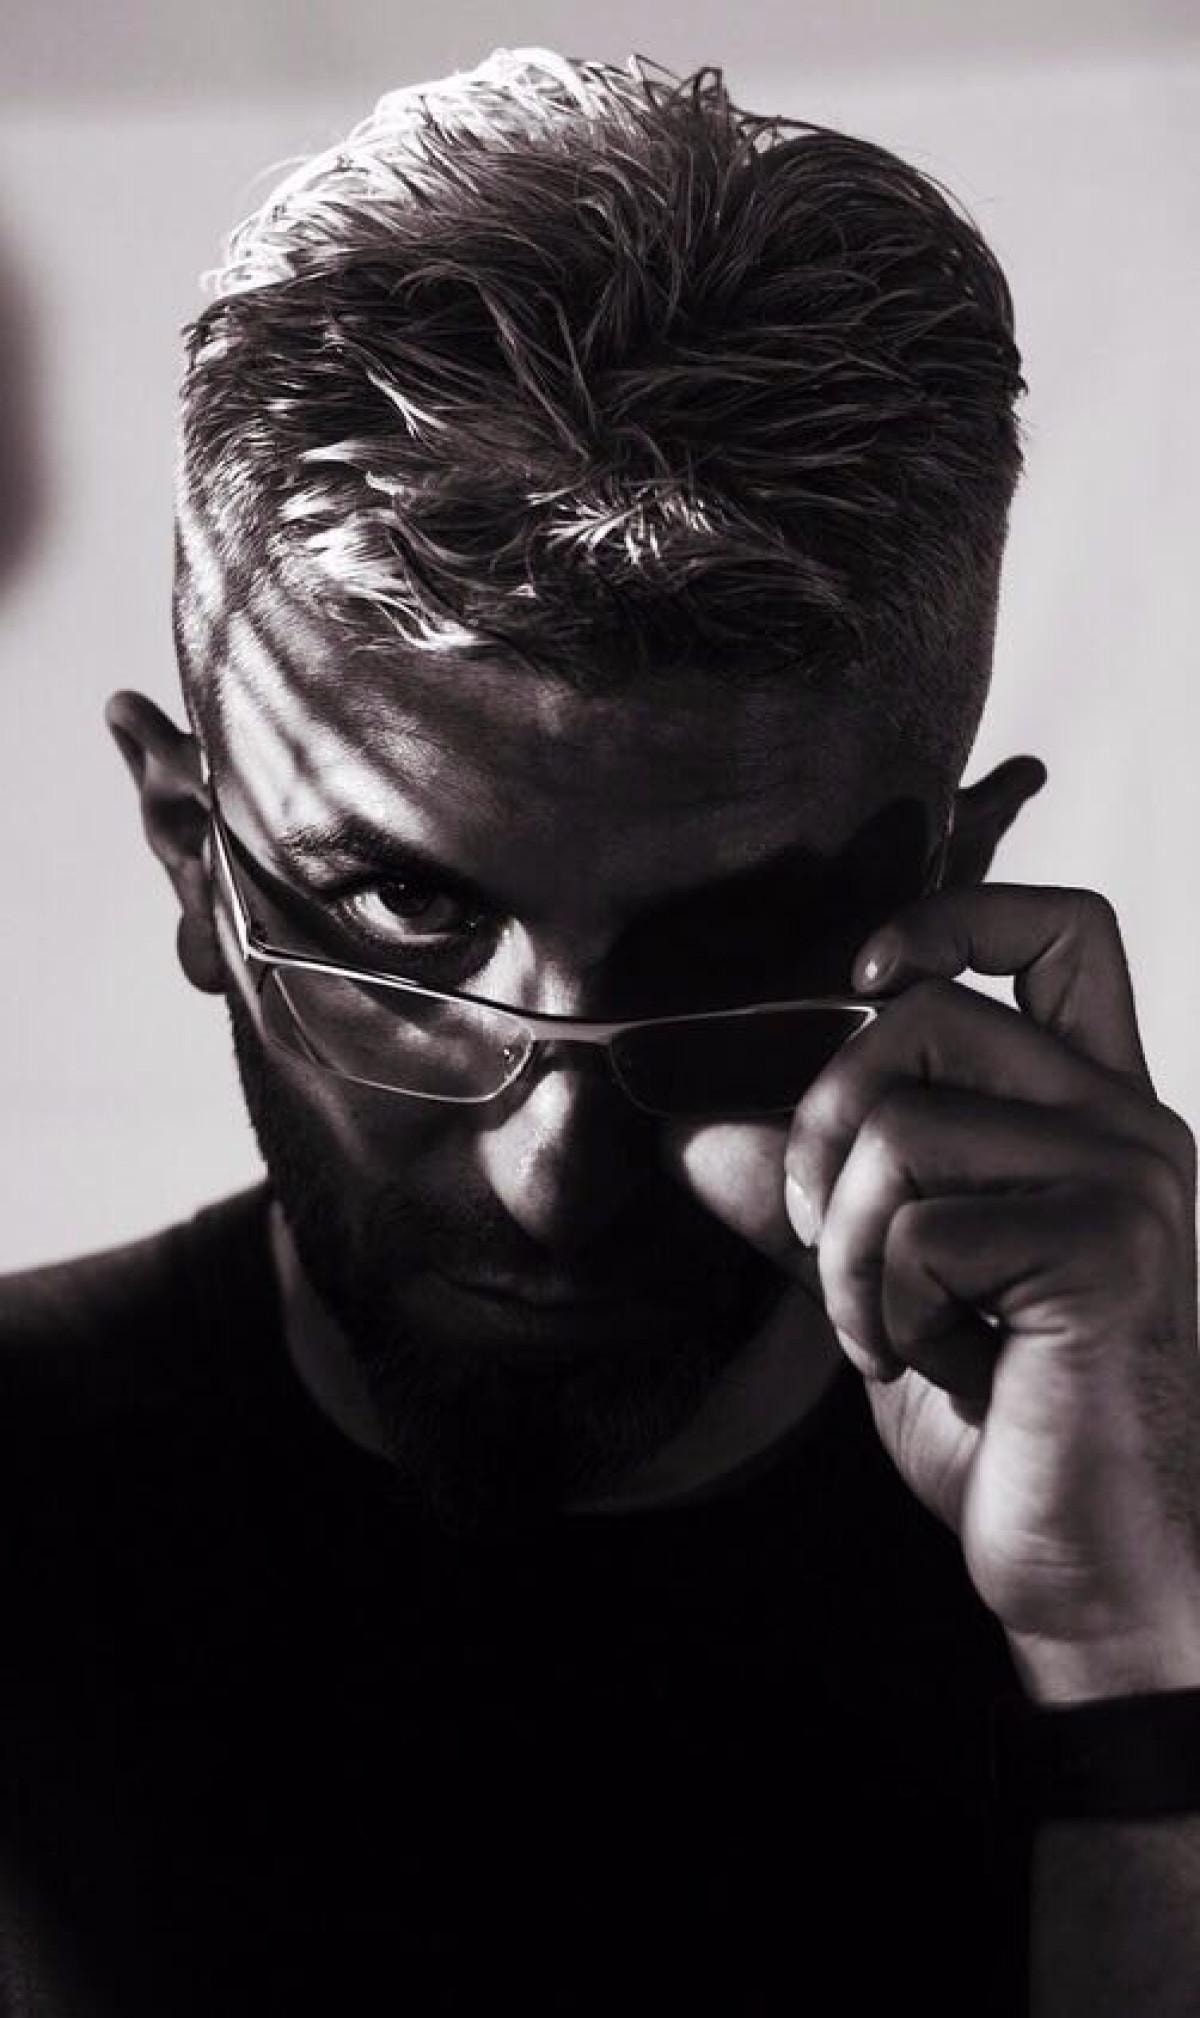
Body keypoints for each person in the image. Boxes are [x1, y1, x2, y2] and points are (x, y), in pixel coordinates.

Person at [1, 46, 1197, 2018]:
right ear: (193, 860)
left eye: (722, 950)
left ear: (955, 891)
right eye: (408, 913)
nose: (550, 1167)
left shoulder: (1156, 1566)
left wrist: (1127, 1662)